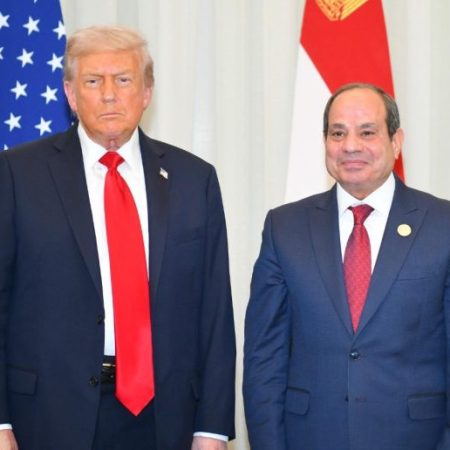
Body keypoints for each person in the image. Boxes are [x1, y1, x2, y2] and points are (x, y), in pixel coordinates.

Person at [0, 26, 235, 450]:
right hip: (46, 416)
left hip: (165, 419)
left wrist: (212, 428)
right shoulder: (17, 174)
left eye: (124, 80)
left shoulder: (193, 180)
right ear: (71, 95)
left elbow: (215, 312)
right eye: (93, 81)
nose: (109, 94)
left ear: (146, 92)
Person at [243, 82, 450, 450]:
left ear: (396, 141)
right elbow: (264, 359)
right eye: (338, 133)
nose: (351, 145)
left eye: (367, 132)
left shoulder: (442, 225)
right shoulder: (285, 227)